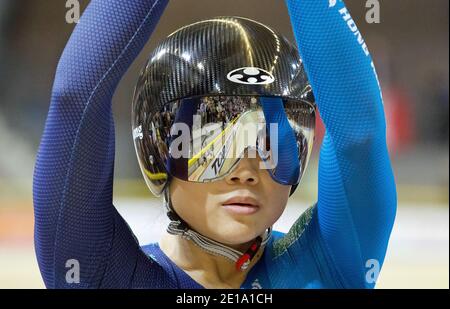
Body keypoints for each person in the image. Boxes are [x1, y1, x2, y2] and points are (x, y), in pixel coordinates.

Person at [33, 0, 397, 289]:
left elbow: (359, 134)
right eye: (214, 145)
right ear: (158, 150)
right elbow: (74, 97)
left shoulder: (332, 263)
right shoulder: (98, 276)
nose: (246, 173)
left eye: (271, 144)